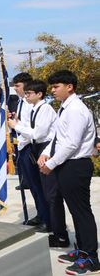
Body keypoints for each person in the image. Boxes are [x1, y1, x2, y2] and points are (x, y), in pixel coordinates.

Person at [38, 70, 99, 274]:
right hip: (67, 164)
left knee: (81, 212)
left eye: (56, 87)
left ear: (69, 87)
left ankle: (91, 258)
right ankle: (82, 250)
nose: (53, 90)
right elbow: (58, 137)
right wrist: (46, 153)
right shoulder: (65, 108)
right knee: (75, 211)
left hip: (75, 165)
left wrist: (51, 164)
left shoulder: (76, 110)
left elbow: (72, 144)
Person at [8, 79, 55, 233]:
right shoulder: (25, 104)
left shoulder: (41, 107)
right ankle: (42, 215)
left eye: (19, 86)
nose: (17, 89)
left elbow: (37, 132)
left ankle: (48, 220)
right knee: (34, 186)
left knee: (41, 187)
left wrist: (17, 126)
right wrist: (17, 122)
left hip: (36, 146)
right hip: (27, 145)